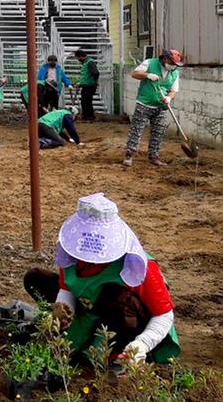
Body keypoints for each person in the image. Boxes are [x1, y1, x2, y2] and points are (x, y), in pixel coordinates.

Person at [23, 193, 179, 365]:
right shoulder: (72, 252)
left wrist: (141, 344)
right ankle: (76, 339)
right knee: (36, 279)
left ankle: (116, 353)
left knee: (115, 304)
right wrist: (63, 309)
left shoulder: (139, 266)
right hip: (88, 310)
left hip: (122, 321)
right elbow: (66, 286)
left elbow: (163, 314)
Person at [123, 50, 183, 167]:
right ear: (165, 58)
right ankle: (129, 154)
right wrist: (147, 75)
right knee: (136, 130)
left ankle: (154, 156)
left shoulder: (174, 72)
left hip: (160, 107)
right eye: (172, 62)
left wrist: (169, 98)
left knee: (158, 132)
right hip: (144, 104)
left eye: (176, 64)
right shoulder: (149, 63)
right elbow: (134, 74)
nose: (174, 66)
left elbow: (173, 90)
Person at [74, 49, 100, 121]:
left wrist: (95, 80)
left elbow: (96, 73)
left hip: (89, 86)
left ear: (81, 56)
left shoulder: (90, 62)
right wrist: (80, 83)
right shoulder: (86, 63)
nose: (78, 60)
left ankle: (88, 117)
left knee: (86, 102)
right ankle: (87, 116)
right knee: (85, 101)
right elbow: (85, 76)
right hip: (86, 85)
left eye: (78, 58)